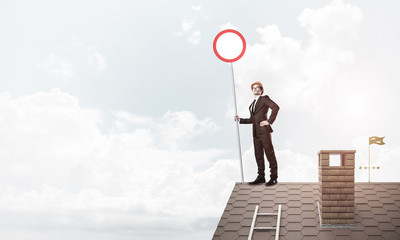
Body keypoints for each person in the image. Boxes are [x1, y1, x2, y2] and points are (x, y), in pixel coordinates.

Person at [234, 81, 280, 186]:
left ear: (261, 90)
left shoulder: (264, 99)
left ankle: (273, 178)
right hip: (255, 133)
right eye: (253, 88)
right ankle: (261, 177)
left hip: (264, 131)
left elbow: (276, 107)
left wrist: (269, 121)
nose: (255, 89)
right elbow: (252, 119)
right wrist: (240, 120)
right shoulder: (252, 104)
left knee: (269, 154)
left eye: (257, 87)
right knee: (258, 155)